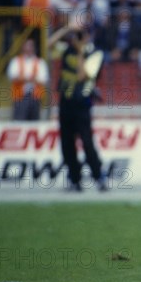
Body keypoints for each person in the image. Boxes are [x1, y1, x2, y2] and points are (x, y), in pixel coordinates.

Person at [50, 26, 107, 193]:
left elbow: (83, 75)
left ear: (89, 36)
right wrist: (66, 29)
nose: (80, 38)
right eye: (78, 35)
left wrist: (81, 51)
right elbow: (48, 45)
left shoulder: (95, 53)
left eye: (82, 35)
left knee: (87, 142)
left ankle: (98, 176)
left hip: (82, 102)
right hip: (66, 101)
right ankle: (75, 179)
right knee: (67, 143)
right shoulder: (67, 48)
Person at [6, 39, 49, 120]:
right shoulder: (16, 61)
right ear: (23, 47)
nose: (29, 48)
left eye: (31, 46)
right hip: (19, 97)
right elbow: (12, 76)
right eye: (27, 46)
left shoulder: (40, 62)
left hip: (35, 98)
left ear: (34, 48)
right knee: (19, 122)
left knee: (34, 124)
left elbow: (43, 79)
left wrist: (24, 78)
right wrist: (30, 78)